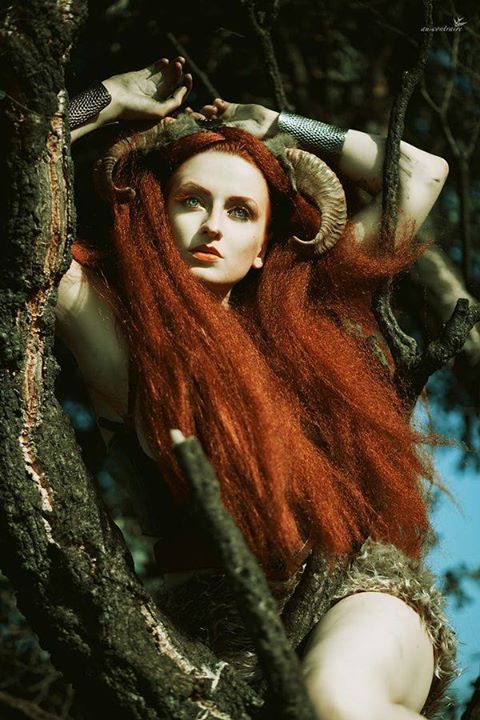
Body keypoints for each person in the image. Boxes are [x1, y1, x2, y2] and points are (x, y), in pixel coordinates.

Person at [56, 57, 457, 720]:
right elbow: (20, 191)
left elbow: (420, 172)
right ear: (155, 214)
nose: (214, 225)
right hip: (207, 641)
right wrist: (109, 99)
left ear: (266, 246)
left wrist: (275, 124)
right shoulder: (112, 332)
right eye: (192, 201)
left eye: (240, 211)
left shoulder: (304, 315)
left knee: (335, 700)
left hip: (353, 596)